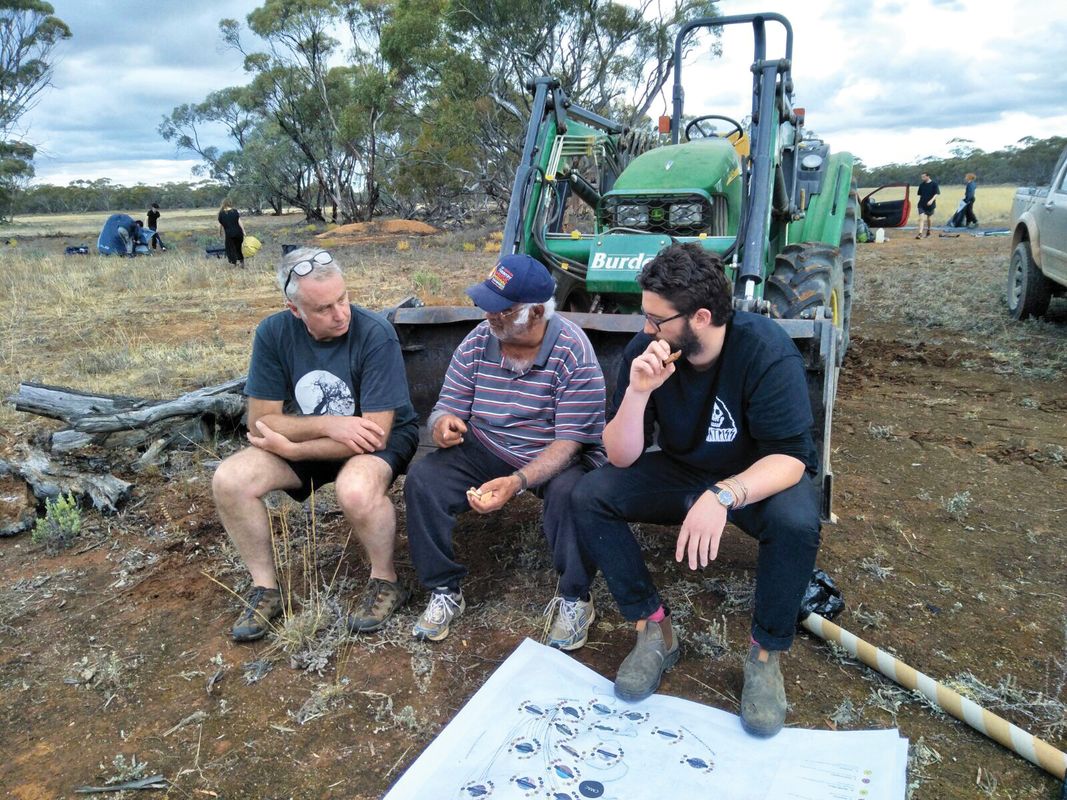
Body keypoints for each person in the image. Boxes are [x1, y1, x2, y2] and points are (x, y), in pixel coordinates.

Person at [572, 243, 821, 738]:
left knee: (796, 522)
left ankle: (765, 655)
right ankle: (654, 629)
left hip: (757, 476)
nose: (647, 330)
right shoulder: (644, 354)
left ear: (701, 316)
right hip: (684, 471)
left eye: (656, 320)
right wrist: (639, 392)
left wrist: (725, 494)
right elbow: (621, 456)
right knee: (590, 495)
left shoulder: (765, 350)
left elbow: (791, 458)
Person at [212, 246, 420, 642]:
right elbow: (260, 422)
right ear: (296, 311)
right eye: (324, 308)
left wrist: (295, 450)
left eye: (343, 299)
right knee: (230, 479)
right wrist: (330, 424)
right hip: (320, 434)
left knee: (355, 489)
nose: (340, 313)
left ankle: (386, 580)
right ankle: (265, 589)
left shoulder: (375, 333)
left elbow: (373, 433)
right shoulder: (273, 333)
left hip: (378, 439)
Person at [404, 254, 607, 649]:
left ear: (535, 312)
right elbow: (449, 403)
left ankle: (574, 597)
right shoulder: (481, 339)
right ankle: (444, 588)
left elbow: (570, 442)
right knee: (424, 480)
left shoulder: (573, 353)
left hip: (554, 451)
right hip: (488, 443)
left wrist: (517, 482)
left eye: (501, 310)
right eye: (487, 305)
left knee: (572, 494)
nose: (489, 316)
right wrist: (442, 424)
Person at [218, 199, 245, 266]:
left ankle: (234, 263)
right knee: (238, 248)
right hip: (238, 233)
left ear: (223, 204)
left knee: (230, 249)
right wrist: (243, 231)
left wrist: (220, 232)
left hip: (229, 234)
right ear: (230, 203)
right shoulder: (235, 211)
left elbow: (220, 224)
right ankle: (242, 262)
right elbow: (239, 222)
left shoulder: (221, 213)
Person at [915, 172, 940, 238]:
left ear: (928, 176)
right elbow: (920, 194)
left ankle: (929, 231)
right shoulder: (921, 185)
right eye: (922, 177)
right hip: (921, 204)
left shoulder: (934, 184)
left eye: (923, 177)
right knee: (921, 218)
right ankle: (920, 233)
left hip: (930, 205)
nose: (922, 178)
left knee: (929, 219)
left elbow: (936, 193)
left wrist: (931, 200)